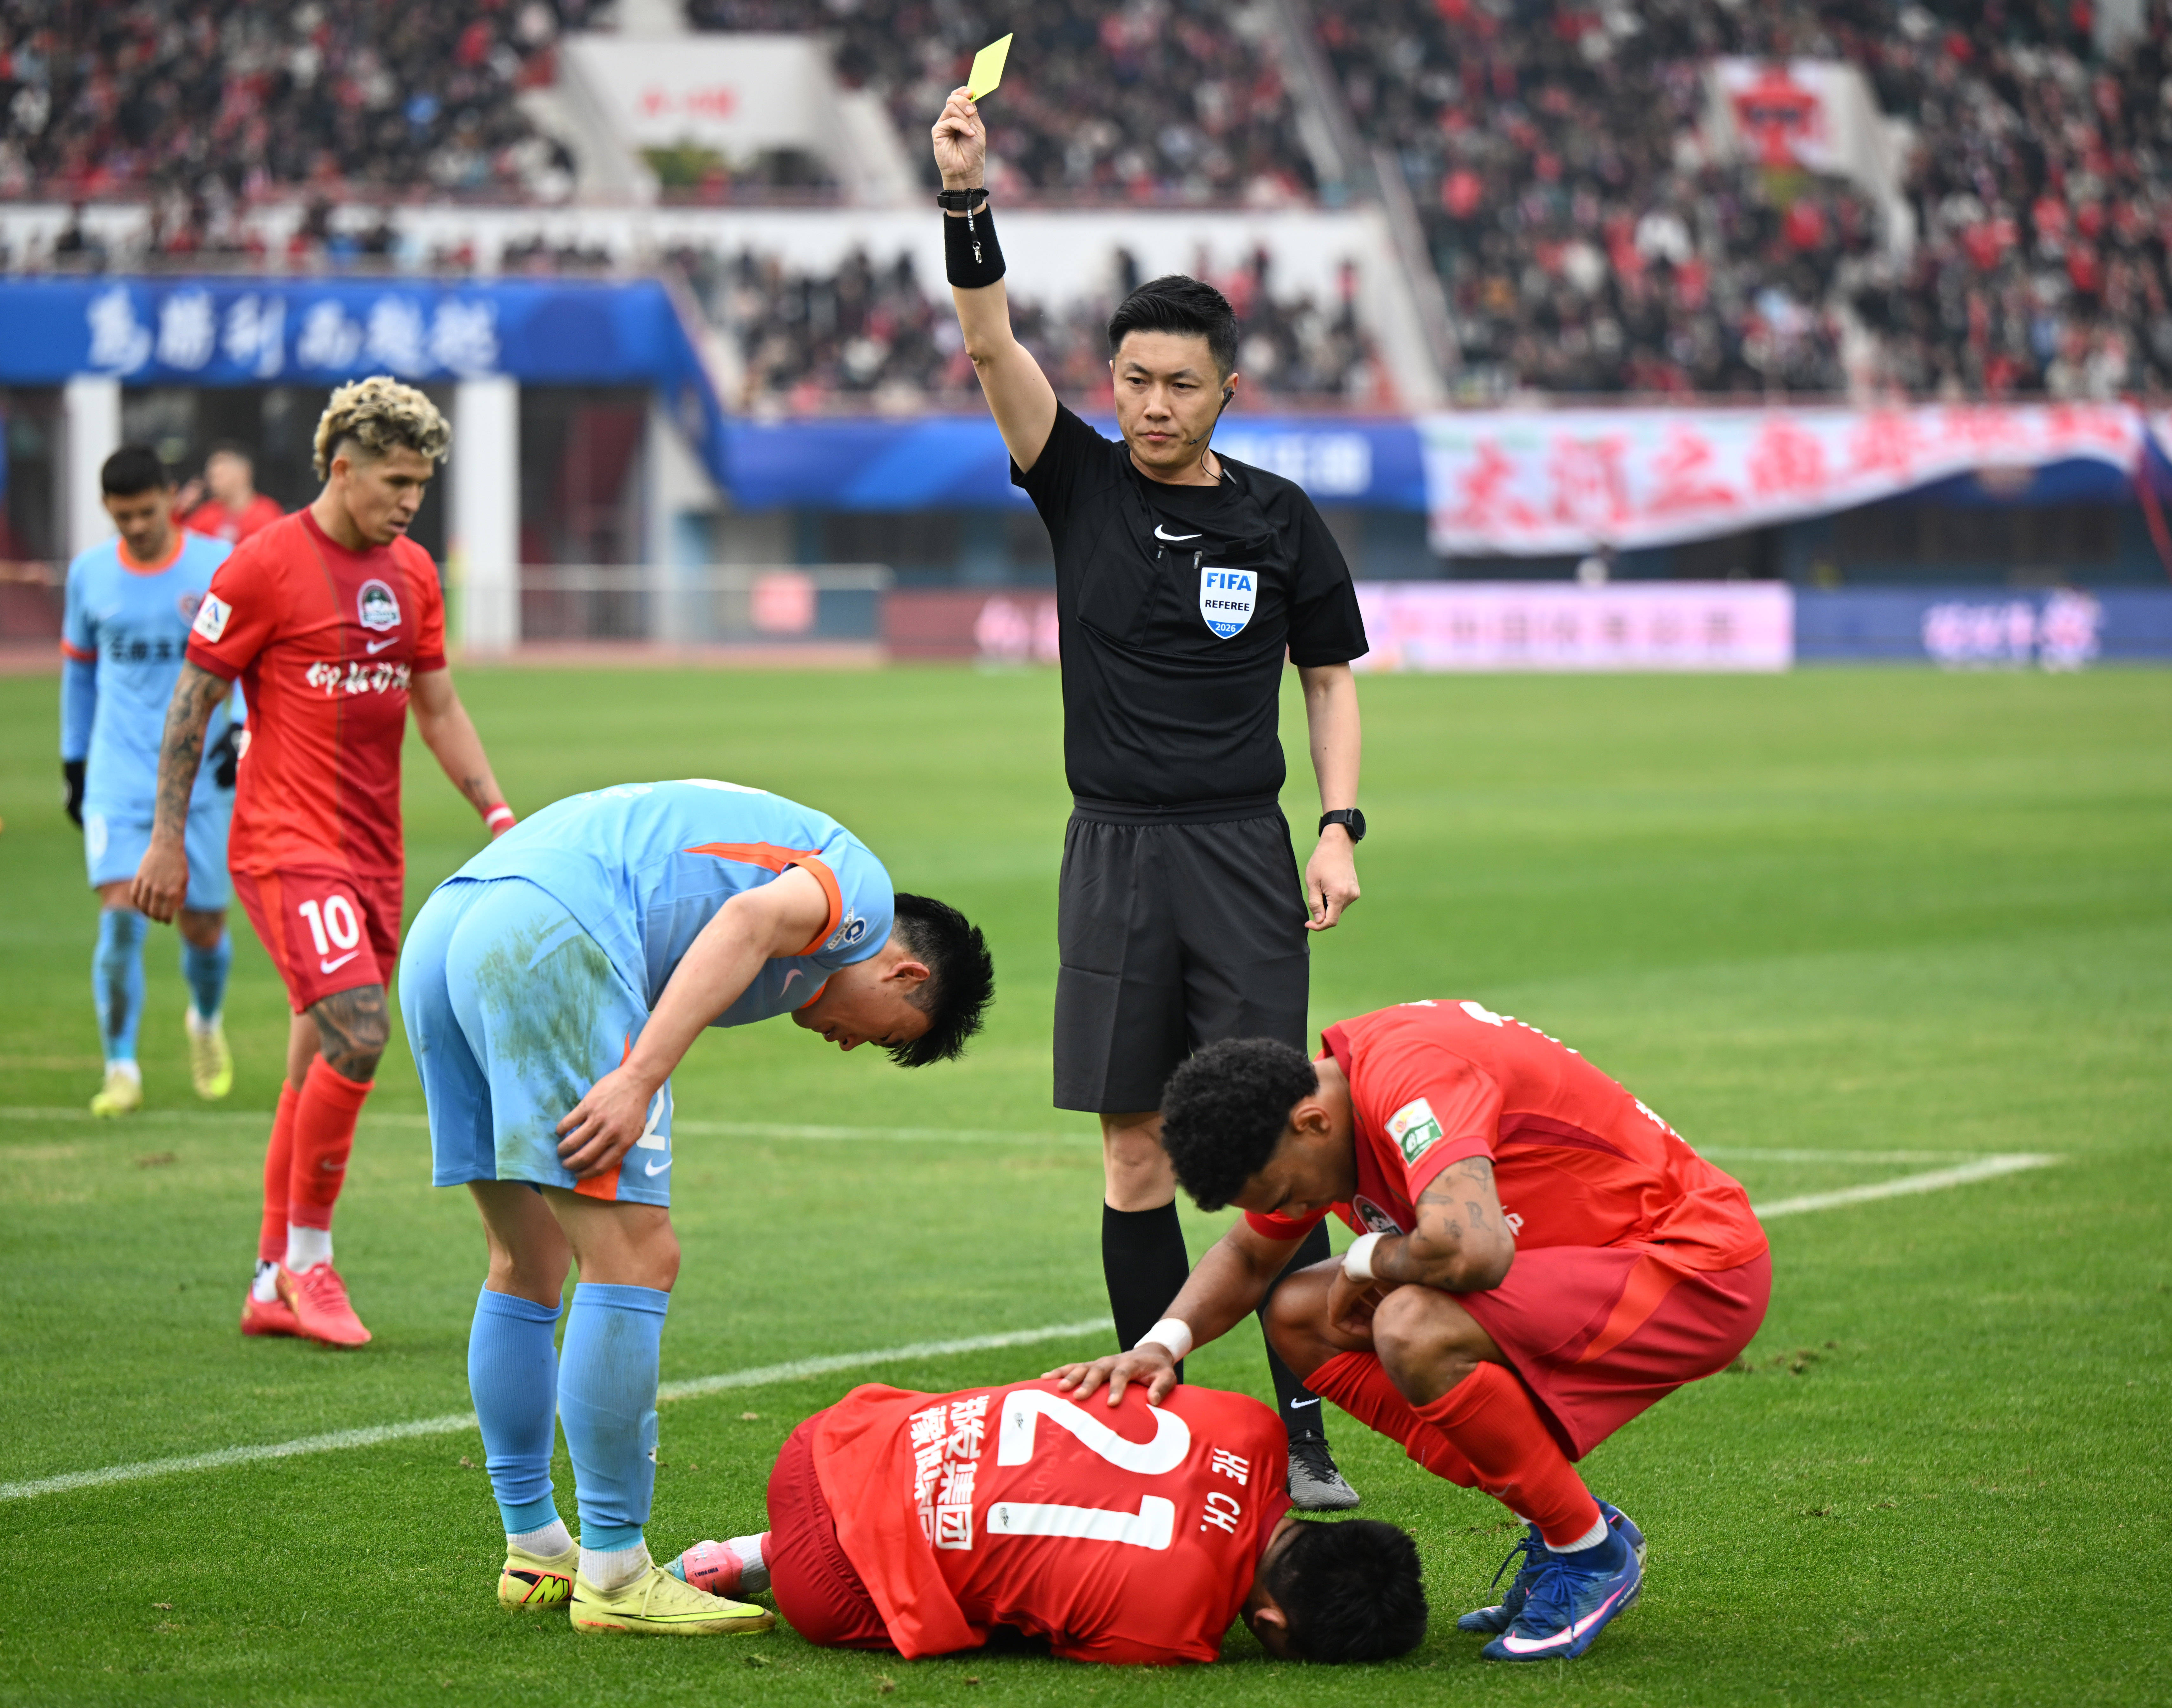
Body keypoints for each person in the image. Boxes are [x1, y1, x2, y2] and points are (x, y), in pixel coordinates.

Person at [931, 85, 1372, 1510]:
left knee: (1278, 1148)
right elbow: (986, 338)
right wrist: (965, 197)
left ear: (1226, 390)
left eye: (1179, 384)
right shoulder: (1076, 483)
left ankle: (1302, 1431)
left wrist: (1338, 826)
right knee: (1131, 1145)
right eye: (1132, 380)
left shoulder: (1279, 516)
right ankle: (1153, 1431)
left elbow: (1327, 679)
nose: (1152, 405)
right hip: (1112, 853)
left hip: (1241, 852)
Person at [397, 779, 998, 1638]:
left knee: (526, 1258)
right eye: (888, 1033)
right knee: (636, 1257)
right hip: (551, 929)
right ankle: (616, 1573)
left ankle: (536, 1548)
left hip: (450, 924)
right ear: (906, 973)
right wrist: (638, 1077)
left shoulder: (795, 944)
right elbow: (744, 922)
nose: (852, 1044)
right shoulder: (858, 893)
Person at [1049, 999, 1773, 1663]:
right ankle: (1573, 1524)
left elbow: (1472, 1251)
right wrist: (1161, 1345)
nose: (1295, 1212)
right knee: (1298, 1312)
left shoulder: (1412, 1078)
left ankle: (1586, 1553)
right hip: (1586, 1271)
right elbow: (1247, 1257)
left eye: (1288, 1193)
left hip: (1690, 1271)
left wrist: (1366, 1258)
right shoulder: (1315, 1109)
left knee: (1412, 1323)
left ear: (1313, 1124)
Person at [133, 376, 516, 1351]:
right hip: (285, 844)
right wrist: (167, 838)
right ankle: (310, 1261)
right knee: (358, 1027)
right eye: (396, 482)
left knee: (315, 1058)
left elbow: (437, 705)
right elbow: (193, 702)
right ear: (342, 469)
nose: (411, 501)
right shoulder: (262, 566)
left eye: (422, 485)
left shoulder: (414, 574)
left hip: (373, 854)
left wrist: (498, 814)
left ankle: (269, 1279)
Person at [663, 1375, 1426, 1665]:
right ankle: (762, 1557)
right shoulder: (1173, 1633)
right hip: (828, 1590)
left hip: (832, 1438)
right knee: (1012, 1616)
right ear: (1271, 1623)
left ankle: (754, 1552)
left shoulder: (1252, 1424)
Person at [60, 444, 239, 1115]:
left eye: (145, 512)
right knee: (120, 918)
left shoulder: (218, 564)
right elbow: (80, 671)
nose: (135, 526)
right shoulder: (89, 574)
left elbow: (250, 660)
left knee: (204, 926)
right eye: (122, 516)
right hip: (119, 773)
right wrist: (73, 759)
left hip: (202, 774)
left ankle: (205, 1020)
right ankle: (121, 1069)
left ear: (171, 498)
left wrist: (241, 729)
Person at [178, 442, 284, 545]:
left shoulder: (266, 514)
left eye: (219, 476)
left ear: (244, 473)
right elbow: (183, 545)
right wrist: (179, 513)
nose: (212, 483)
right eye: (211, 477)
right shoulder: (207, 514)